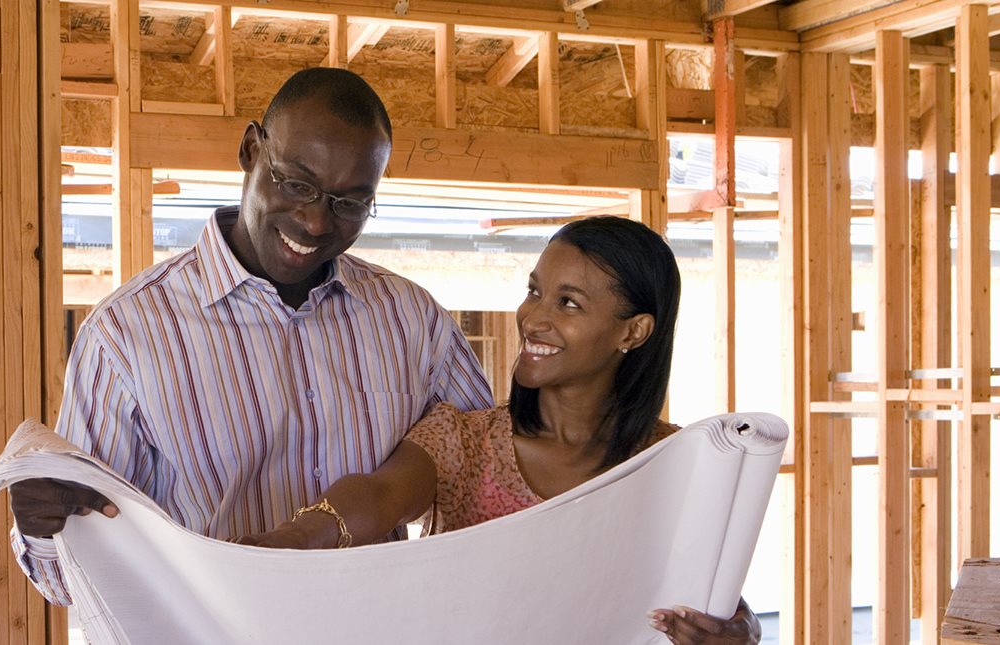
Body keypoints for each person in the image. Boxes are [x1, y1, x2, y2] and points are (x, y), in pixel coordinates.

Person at [6, 67, 495, 605]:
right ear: (249, 149)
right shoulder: (127, 334)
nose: (314, 221)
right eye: (297, 184)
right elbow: (73, 580)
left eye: (349, 202)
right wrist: (42, 528)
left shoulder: (413, 322)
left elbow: (485, 476)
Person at [237, 216, 761, 644]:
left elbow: (719, 599)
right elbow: (378, 496)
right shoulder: (466, 439)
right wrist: (295, 539)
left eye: (568, 302)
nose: (533, 317)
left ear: (634, 330)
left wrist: (743, 629)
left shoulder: (676, 461)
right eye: (534, 291)